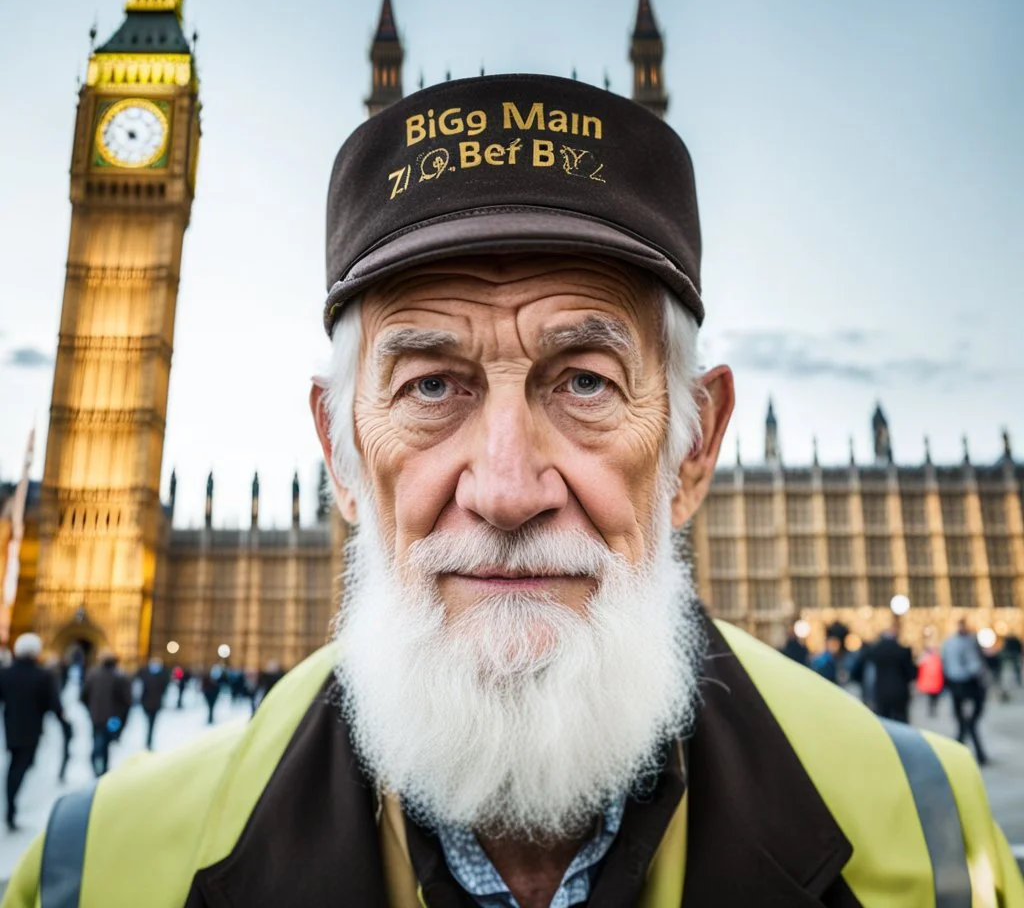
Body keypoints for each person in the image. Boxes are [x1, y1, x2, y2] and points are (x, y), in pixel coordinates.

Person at [7, 76, 1022, 906]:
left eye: (584, 380)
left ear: (695, 444)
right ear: (340, 449)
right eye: (430, 384)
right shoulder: (93, 872)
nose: (504, 487)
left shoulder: (935, 843)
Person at [0, 633, 71, 831]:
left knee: (15, 764)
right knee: (21, 765)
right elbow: (54, 704)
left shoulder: (6, 673)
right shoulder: (43, 675)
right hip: (32, 729)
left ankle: (10, 805)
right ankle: (11, 808)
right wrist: (65, 723)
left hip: (11, 726)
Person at [942, 618, 990, 765]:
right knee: (966, 723)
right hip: (965, 684)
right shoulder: (962, 643)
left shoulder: (958, 642)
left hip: (963, 684)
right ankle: (970, 752)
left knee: (966, 723)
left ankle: (959, 750)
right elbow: (974, 664)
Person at [81, 650, 132, 777]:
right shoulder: (120, 677)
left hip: (97, 717)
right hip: (113, 720)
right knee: (104, 745)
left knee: (98, 744)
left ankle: (98, 769)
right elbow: (127, 701)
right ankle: (102, 770)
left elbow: (83, 696)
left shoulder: (93, 675)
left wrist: (91, 709)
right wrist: (121, 719)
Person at [858, 619, 916, 723]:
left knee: (884, 722)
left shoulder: (876, 650)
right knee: (901, 721)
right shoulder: (902, 651)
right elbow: (911, 673)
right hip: (899, 691)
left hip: (881, 691)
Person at [136, 657, 171, 751]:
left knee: (151, 723)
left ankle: (149, 741)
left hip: (155, 703)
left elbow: (165, 687)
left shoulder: (163, 674)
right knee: (149, 722)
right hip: (147, 702)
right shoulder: (144, 672)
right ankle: (148, 740)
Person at [916, 643, 945, 717]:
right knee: (933, 697)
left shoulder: (927, 658)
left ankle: (932, 709)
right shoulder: (936, 658)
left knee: (932, 697)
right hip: (934, 682)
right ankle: (932, 709)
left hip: (933, 682)